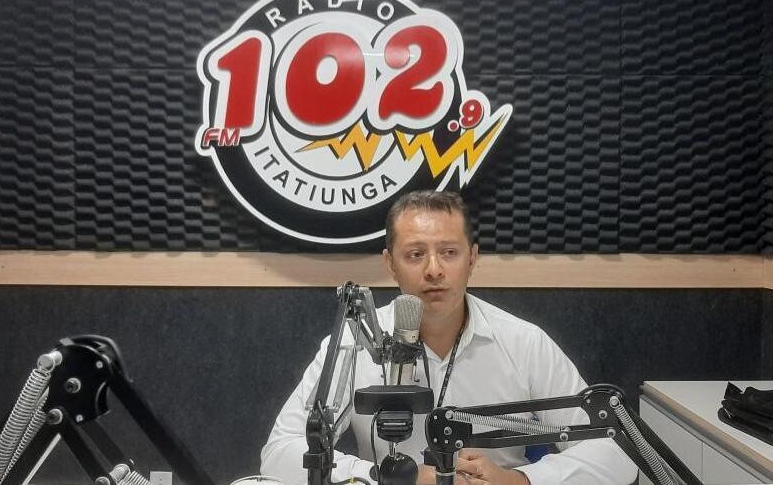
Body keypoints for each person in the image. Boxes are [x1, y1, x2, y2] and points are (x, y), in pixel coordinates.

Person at [261, 191, 637, 485]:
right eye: (415, 254)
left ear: (472, 259)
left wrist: (520, 480)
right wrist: (395, 479)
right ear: (390, 264)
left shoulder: (524, 343)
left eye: (449, 253)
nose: (434, 270)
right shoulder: (355, 341)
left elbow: (616, 453)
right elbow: (280, 451)